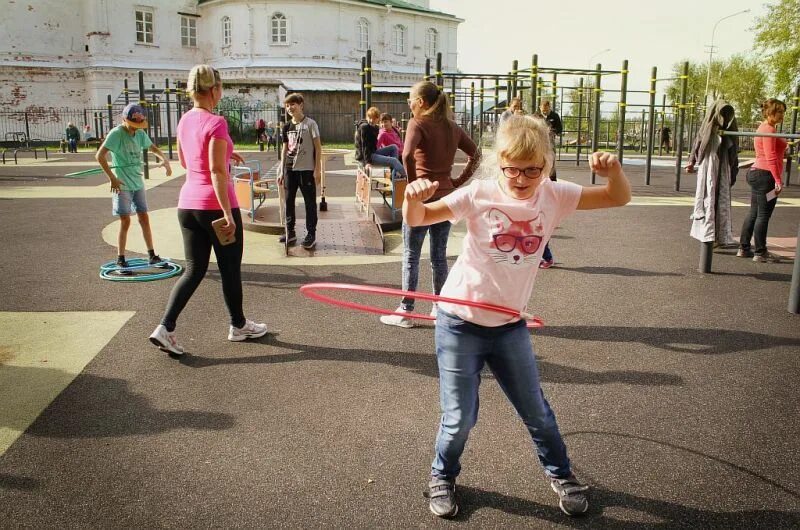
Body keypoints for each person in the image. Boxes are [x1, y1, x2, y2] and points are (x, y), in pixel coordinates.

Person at [403, 115, 631, 518]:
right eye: (512, 167)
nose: (522, 178)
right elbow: (419, 218)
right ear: (500, 160)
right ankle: (442, 476)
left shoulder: (554, 195)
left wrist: (613, 172)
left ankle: (561, 473)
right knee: (459, 419)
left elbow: (618, 198)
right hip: (459, 321)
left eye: (533, 169)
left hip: (509, 325)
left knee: (537, 412)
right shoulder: (478, 194)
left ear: (547, 164)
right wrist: (412, 197)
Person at [149, 65, 267, 355]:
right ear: (215, 90)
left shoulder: (184, 120)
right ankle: (238, 326)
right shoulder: (217, 122)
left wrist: (227, 152)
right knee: (229, 269)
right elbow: (216, 171)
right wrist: (227, 213)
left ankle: (165, 327)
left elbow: (188, 162)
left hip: (188, 204)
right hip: (214, 206)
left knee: (194, 269)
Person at [380, 81, 481, 328]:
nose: (409, 104)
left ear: (421, 102)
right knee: (438, 256)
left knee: (411, 254)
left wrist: (414, 187)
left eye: (410, 99)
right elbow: (476, 155)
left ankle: (406, 309)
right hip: (445, 198)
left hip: (422, 199)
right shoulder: (452, 127)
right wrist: (456, 181)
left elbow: (406, 154)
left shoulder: (417, 123)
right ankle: (439, 307)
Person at [96, 103, 172, 274]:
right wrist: (112, 178)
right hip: (122, 184)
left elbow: (152, 147)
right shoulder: (116, 134)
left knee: (144, 217)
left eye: (139, 124)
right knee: (125, 221)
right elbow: (100, 155)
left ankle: (152, 254)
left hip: (137, 183)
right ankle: (120, 259)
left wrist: (164, 159)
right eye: (133, 124)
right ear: (124, 120)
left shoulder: (139, 133)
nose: (136, 128)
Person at [738, 98, 788, 263]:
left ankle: (744, 248)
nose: (782, 115)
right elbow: (771, 156)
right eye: (778, 111)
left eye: (782, 111)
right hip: (765, 175)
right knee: (763, 214)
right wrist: (778, 180)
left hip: (759, 173)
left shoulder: (765, 128)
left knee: (754, 212)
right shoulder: (769, 130)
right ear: (769, 112)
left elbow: (773, 151)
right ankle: (760, 252)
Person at [686, 100, 738, 248]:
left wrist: (733, 169)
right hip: (709, 166)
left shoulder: (728, 131)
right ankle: (707, 234)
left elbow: (734, 150)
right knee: (707, 198)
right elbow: (699, 142)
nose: (724, 118)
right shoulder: (708, 129)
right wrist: (692, 160)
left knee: (720, 199)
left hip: (722, 167)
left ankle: (719, 235)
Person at [278, 93, 323, 250]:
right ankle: (290, 232)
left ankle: (311, 234)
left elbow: (318, 148)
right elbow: (284, 150)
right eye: (288, 105)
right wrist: (281, 170)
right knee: (288, 201)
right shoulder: (286, 127)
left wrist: (317, 169)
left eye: (293, 104)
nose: (290, 108)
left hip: (306, 170)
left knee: (309, 203)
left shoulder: (311, 124)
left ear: (301, 105)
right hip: (290, 170)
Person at [536, 99, 563, 268]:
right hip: (540, 148)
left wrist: (551, 131)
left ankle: (546, 257)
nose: (545, 109)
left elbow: (560, 130)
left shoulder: (554, 116)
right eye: (543, 106)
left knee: (540, 224)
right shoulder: (537, 116)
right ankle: (544, 256)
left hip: (549, 147)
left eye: (547, 107)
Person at [356, 107, 406, 181]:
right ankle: (408, 176)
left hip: (373, 152)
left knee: (394, 147)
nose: (371, 120)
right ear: (367, 117)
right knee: (394, 161)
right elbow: (364, 146)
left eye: (374, 118)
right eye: (370, 118)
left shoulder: (375, 128)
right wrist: (367, 162)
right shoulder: (365, 127)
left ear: (377, 119)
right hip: (366, 156)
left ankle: (394, 175)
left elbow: (375, 145)